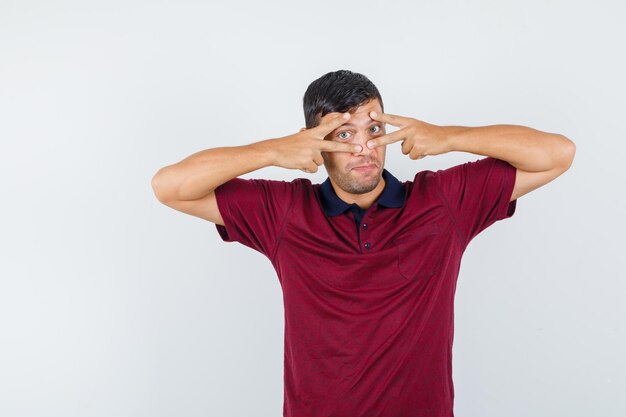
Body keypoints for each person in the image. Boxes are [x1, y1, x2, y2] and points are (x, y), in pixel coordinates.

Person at [151, 69, 575, 417]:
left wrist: (448, 137)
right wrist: (273, 151)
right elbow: (170, 186)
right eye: (343, 134)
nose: (365, 147)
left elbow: (557, 153)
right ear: (313, 141)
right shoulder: (283, 212)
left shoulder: (442, 202)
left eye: (373, 129)